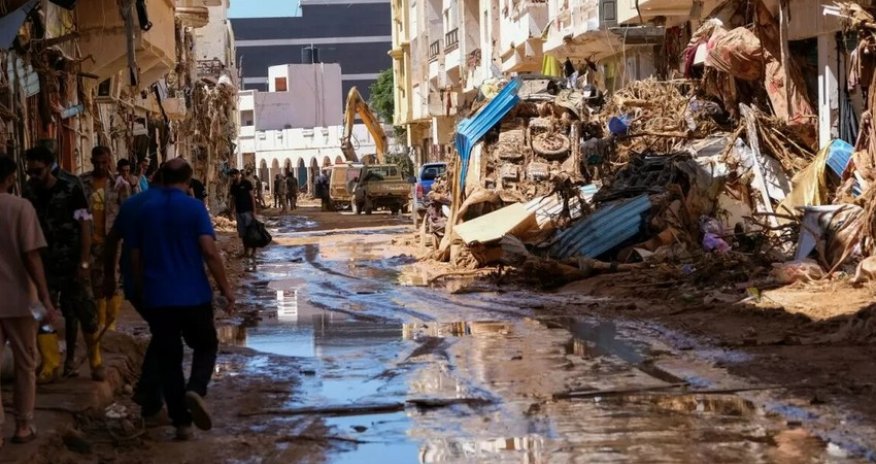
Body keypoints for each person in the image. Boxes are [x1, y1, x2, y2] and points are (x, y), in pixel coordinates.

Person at [129, 158, 234, 440]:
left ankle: (182, 423)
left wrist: (141, 288)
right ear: (188, 180)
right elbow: (210, 252)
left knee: (169, 360)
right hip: (193, 295)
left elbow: (135, 257)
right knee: (206, 345)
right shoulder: (194, 208)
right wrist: (226, 288)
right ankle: (196, 389)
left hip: (158, 297)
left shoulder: (145, 209)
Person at [23, 147, 104, 382]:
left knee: (85, 312)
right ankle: (50, 363)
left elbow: (85, 225)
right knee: (41, 314)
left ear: (50, 166)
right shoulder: (30, 190)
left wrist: (85, 262)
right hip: (44, 264)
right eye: (30, 171)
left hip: (72, 261)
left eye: (37, 171)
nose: (33, 176)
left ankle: (95, 360)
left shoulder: (71, 186)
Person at [0, 156, 59, 446]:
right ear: (11, 178)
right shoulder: (21, 207)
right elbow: (31, 255)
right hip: (20, 299)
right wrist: (46, 298)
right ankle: (23, 425)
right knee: (26, 362)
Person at [103, 165, 166, 424]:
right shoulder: (168, 205)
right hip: (162, 283)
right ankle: (149, 397)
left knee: (163, 334)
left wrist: (110, 276)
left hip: (134, 284)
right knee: (166, 336)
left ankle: (151, 397)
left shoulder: (131, 204)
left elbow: (112, 239)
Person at [81, 146, 128, 333]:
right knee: (94, 282)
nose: (100, 166)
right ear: (92, 161)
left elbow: (126, 212)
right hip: (89, 240)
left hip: (112, 241)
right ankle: (100, 320)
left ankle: (111, 323)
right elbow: (77, 209)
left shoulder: (119, 184)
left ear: (109, 161)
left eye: (104, 162)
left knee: (113, 280)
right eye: (97, 162)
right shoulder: (82, 182)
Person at [228, 168, 257, 258]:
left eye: (233, 176)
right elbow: (233, 199)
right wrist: (231, 211)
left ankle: (254, 251)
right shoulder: (233, 186)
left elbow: (252, 197)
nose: (232, 178)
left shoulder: (247, 184)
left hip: (248, 211)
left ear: (237, 174)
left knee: (251, 232)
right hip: (239, 212)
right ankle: (246, 251)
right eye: (231, 176)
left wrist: (254, 211)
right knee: (243, 233)